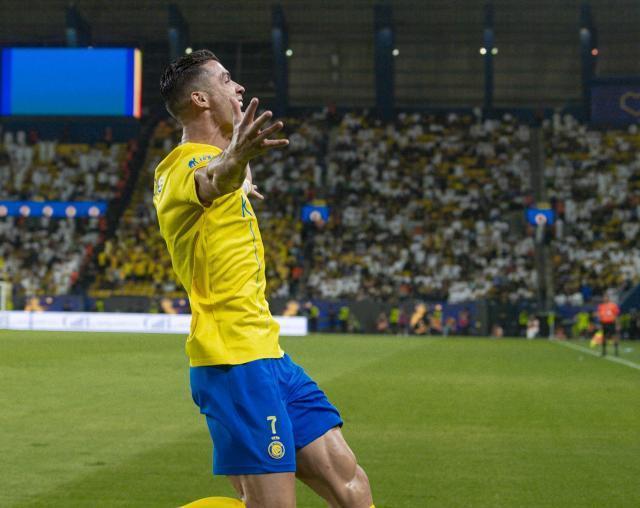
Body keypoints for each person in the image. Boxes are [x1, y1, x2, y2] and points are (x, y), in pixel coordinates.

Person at [154, 50, 374, 508]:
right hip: (232, 360)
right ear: (200, 99)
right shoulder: (177, 168)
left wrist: (239, 162)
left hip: (269, 353)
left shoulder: (223, 160)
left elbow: (225, 171)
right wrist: (236, 160)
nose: (238, 87)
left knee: (352, 485)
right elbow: (211, 179)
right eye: (225, 80)